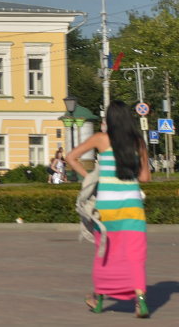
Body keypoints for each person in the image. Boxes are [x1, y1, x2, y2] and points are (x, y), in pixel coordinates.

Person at [66, 101, 151, 317]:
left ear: (109, 120)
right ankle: (140, 301)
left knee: (106, 253)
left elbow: (70, 158)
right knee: (135, 255)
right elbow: (145, 178)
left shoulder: (100, 139)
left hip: (106, 208)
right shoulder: (138, 142)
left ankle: (99, 299)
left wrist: (91, 178)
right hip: (132, 206)